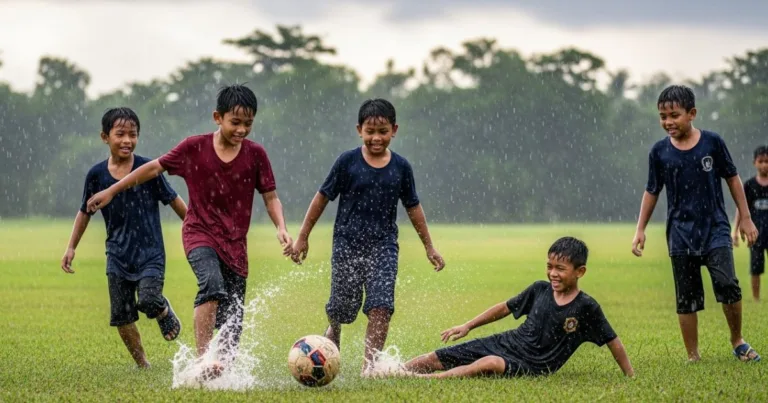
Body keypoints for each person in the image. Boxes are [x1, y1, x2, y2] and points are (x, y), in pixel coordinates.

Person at [86, 85, 292, 372]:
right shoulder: (194, 147)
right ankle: (203, 361)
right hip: (199, 234)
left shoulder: (256, 154)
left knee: (233, 316)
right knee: (212, 285)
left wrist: (281, 227)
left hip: (235, 243)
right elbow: (153, 168)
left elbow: (270, 197)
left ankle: (224, 370)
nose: (242, 130)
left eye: (248, 123)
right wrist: (113, 190)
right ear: (217, 117)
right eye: (235, 122)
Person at [291, 98, 446, 374]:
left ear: (394, 130)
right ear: (359, 130)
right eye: (370, 131)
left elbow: (413, 207)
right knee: (342, 306)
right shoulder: (347, 162)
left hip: (383, 246)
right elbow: (322, 197)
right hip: (347, 244)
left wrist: (429, 247)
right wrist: (303, 236)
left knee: (381, 304)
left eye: (383, 131)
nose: (376, 138)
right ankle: (334, 328)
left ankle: (369, 367)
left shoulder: (401, 167)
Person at [631, 85, 761, 362]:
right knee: (686, 296)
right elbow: (652, 190)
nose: (668, 122)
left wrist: (746, 217)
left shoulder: (712, 142)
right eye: (663, 116)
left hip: (715, 228)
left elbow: (733, 178)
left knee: (727, 284)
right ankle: (693, 356)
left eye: (674, 115)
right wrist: (640, 228)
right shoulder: (659, 152)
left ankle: (737, 341)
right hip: (680, 233)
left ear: (692, 114)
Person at [384, 237, 633, 379]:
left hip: (533, 365)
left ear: (580, 272)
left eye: (560, 269)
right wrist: (468, 326)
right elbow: (504, 308)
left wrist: (630, 376)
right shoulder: (539, 289)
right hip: (506, 342)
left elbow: (613, 342)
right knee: (439, 356)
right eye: (549, 267)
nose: (552, 274)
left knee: (490, 363)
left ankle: (427, 379)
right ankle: (391, 370)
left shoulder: (586, 307)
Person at [61, 107, 187, 368]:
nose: (127, 140)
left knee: (149, 300)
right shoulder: (96, 175)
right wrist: (71, 247)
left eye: (133, 134)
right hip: (117, 254)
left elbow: (173, 200)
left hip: (151, 252)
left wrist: (195, 227)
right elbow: (85, 212)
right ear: (105, 137)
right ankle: (142, 364)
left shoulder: (148, 169)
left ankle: (163, 310)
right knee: (122, 315)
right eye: (120, 134)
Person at [732, 145, 768, 301]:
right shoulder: (749, 185)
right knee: (755, 268)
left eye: (767, 161)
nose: (764, 165)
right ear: (754, 162)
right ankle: (756, 299)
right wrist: (734, 231)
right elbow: (741, 208)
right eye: (761, 161)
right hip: (756, 234)